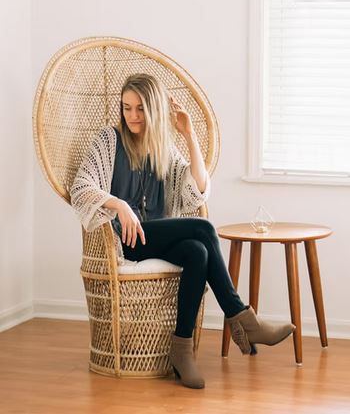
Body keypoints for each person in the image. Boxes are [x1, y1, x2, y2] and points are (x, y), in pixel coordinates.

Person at [70, 73, 295, 390]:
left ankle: (182, 349)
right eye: (127, 108)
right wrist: (119, 204)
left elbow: (197, 191)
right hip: (126, 241)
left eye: (140, 109)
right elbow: (81, 188)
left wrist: (189, 135)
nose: (132, 116)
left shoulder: (164, 147)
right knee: (203, 228)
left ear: (155, 110)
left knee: (197, 251)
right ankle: (243, 319)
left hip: (156, 237)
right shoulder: (108, 141)